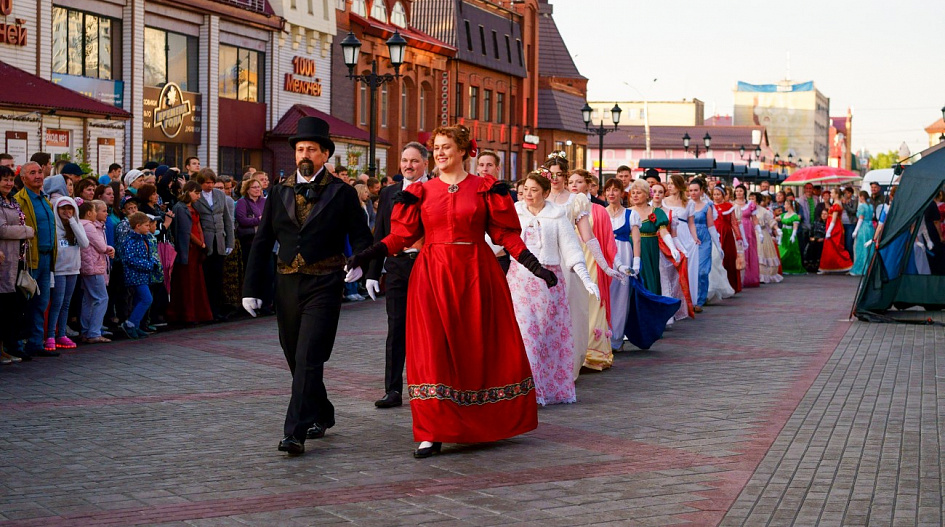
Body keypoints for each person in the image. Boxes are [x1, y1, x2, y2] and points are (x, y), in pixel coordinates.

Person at [345, 124, 552, 459]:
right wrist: (367, 255)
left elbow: (505, 235)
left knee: (476, 349)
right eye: (436, 148)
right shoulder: (420, 192)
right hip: (432, 275)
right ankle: (431, 431)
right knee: (433, 351)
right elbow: (400, 236)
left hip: (476, 273)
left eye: (446, 147)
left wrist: (534, 266)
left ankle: (481, 422)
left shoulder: (485, 189)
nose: (440, 153)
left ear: (463, 151)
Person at [243, 116, 374, 456]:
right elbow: (262, 242)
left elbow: (361, 235)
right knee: (294, 357)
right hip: (286, 283)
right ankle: (323, 412)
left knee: (308, 357)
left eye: (312, 149)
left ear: (325, 154)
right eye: (300, 148)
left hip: (325, 283)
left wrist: (361, 263)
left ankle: (294, 432)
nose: (305, 153)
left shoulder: (342, 193)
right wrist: (251, 288)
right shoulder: (279, 190)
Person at [510, 171, 598, 405]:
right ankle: (527, 391)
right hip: (519, 281)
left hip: (548, 283)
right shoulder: (513, 213)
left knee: (545, 338)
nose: (528, 194)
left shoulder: (557, 216)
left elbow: (572, 249)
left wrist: (586, 278)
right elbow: (497, 241)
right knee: (525, 336)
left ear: (546, 193)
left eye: (534, 190)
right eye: (525, 189)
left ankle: (546, 389)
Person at [365, 142, 429, 409]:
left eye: (414, 161)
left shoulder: (433, 191)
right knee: (396, 328)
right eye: (404, 160)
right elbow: (380, 234)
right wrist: (371, 272)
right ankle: (392, 390)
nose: (408, 165)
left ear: (425, 163)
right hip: (396, 268)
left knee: (427, 329)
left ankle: (427, 387)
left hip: (426, 267)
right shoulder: (390, 192)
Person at [567, 169, 620, 371]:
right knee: (573, 304)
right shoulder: (562, 207)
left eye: (578, 181)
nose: (574, 185)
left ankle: (594, 354)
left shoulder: (598, 210)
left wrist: (610, 265)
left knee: (593, 302)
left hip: (592, 261)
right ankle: (574, 352)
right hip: (571, 260)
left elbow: (606, 240)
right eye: (570, 181)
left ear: (588, 185)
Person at [15, 161, 60, 357]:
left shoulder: (45, 200)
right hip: (29, 259)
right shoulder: (19, 200)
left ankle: (36, 343)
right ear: (23, 178)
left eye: (40, 172)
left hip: (46, 257)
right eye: (32, 173)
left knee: (41, 302)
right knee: (24, 303)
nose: (38, 176)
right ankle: (17, 344)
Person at [0, 165, 34, 362]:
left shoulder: (11, 201)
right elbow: (3, 230)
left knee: (10, 307)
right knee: (2, 305)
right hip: (4, 259)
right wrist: (27, 232)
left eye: (11, 179)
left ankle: (5, 347)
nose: (9, 183)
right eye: (4, 180)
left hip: (16, 259)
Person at [166, 181, 213, 324]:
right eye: (196, 193)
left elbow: (198, 226)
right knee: (187, 282)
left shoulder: (192, 207)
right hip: (188, 249)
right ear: (188, 192)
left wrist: (203, 243)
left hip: (196, 249)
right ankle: (187, 315)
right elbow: (185, 232)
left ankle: (199, 313)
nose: (198, 196)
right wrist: (201, 244)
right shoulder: (180, 208)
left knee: (196, 282)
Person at [46, 196, 88, 351]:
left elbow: (84, 243)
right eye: (62, 208)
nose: (66, 211)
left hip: (73, 269)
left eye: (69, 208)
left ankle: (62, 334)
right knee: (56, 303)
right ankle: (50, 335)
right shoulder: (53, 226)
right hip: (58, 270)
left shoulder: (76, 224)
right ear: (56, 210)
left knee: (66, 304)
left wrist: (72, 222)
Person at [193, 169, 234, 321]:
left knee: (218, 277)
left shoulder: (220, 195)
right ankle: (207, 310)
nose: (210, 186)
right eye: (206, 183)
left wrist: (230, 241)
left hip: (220, 240)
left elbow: (227, 219)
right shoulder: (197, 197)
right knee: (206, 277)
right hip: (205, 242)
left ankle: (217, 310)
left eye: (211, 182)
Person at [651, 181, 692, 323]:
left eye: (660, 192)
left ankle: (666, 315)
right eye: (654, 191)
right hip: (647, 247)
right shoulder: (643, 210)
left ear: (664, 194)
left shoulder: (670, 212)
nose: (656, 194)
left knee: (663, 279)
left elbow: (673, 235)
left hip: (663, 250)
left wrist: (680, 249)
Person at [604, 178, 637, 351]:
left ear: (622, 193)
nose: (611, 193)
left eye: (615, 190)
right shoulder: (600, 213)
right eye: (608, 190)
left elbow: (636, 240)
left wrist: (636, 262)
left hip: (623, 254)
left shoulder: (630, 214)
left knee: (621, 296)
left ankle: (616, 338)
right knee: (605, 295)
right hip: (605, 256)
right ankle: (603, 336)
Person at [79, 200, 114, 344]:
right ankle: (94, 332)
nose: (106, 214)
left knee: (89, 299)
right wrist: (110, 248)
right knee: (101, 298)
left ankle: (86, 330)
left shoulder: (82, 225)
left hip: (88, 266)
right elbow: (100, 246)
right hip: (93, 267)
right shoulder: (89, 226)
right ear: (89, 213)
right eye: (101, 211)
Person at [120, 212, 160, 339]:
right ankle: (130, 324)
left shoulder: (144, 238)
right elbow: (130, 259)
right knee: (147, 299)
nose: (149, 228)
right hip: (136, 275)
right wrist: (149, 265)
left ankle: (136, 325)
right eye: (147, 225)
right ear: (138, 226)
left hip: (143, 275)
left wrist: (153, 262)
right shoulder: (131, 240)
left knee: (139, 299)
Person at [664, 174, 700, 310]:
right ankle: (671, 298)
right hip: (669, 235)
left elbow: (691, 223)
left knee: (687, 268)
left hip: (685, 235)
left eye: (672, 183)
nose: (670, 186)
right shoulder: (664, 201)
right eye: (669, 183)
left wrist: (694, 238)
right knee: (670, 268)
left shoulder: (689, 202)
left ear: (679, 186)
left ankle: (686, 301)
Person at [686, 178, 716, 311]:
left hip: (704, 239)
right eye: (691, 190)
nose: (693, 193)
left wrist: (718, 244)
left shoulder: (707, 206)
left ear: (701, 191)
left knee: (702, 271)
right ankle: (690, 299)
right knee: (690, 270)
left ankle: (700, 300)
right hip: (689, 239)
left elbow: (711, 226)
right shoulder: (685, 204)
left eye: (696, 190)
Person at [712, 184, 743, 293]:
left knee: (729, 259)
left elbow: (734, 222)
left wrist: (739, 236)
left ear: (723, 195)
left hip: (727, 234)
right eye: (714, 194)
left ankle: (732, 285)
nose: (716, 196)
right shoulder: (710, 206)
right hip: (714, 234)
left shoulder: (729, 206)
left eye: (718, 194)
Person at [818, 188, 854, 274]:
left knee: (836, 247)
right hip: (832, 226)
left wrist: (829, 231)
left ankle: (847, 264)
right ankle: (828, 267)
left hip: (835, 228)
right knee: (830, 248)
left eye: (832, 193)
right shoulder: (835, 203)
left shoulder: (837, 205)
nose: (831, 194)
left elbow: (834, 219)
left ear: (837, 194)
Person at [235, 177, 266, 272]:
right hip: (249, 239)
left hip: (263, 238)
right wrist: (258, 220)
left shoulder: (264, 201)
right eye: (254, 187)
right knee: (249, 266)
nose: (257, 189)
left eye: (258, 187)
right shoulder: (242, 202)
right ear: (247, 190)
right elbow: (242, 220)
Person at [733, 184, 760, 288]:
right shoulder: (732, 204)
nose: (738, 193)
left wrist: (759, 231)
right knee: (739, 253)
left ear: (744, 192)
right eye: (737, 191)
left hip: (748, 230)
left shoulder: (750, 204)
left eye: (740, 191)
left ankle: (750, 278)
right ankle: (739, 278)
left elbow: (754, 218)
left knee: (750, 253)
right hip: (736, 230)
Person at [752, 193, 783, 284]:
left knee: (762, 252)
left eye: (753, 198)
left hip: (762, 233)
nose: (750, 200)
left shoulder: (763, 211)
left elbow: (771, 221)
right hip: (751, 233)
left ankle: (763, 275)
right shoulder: (747, 209)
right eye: (749, 198)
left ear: (757, 200)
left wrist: (778, 230)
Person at [850, 190, 875, 276]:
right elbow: (873, 216)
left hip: (863, 228)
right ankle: (870, 268)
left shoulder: (862, 207)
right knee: (870, 248)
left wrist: (855, 231)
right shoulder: (871, 206)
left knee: (861, 248)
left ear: (862, 197)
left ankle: (861, 268)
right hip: (870, 227)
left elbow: (860, 219)